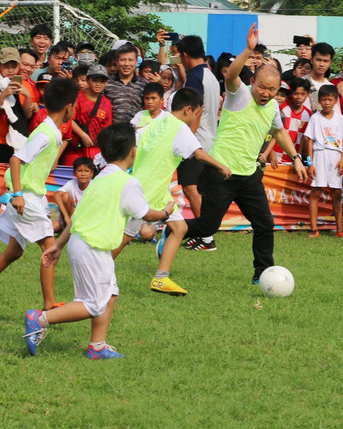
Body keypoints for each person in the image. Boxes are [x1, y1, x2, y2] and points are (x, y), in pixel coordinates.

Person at [24, 123, 178, 359]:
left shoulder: (99, 180)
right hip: (91, 247)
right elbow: (146, 214)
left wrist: (58, 245)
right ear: (133, 151)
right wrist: (166, 213)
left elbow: (76, 218)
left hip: (86, 244)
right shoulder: (128, 183)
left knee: (111, 293)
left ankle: (97, 346)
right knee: (93, 304)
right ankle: (40, 319)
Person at [182, 24, 307, 281]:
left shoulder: (273, 107)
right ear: (253, 82)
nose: (266, 93)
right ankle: (172, 230)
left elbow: (280, 132)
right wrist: (248, 49)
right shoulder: (239, 95)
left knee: (265, 224)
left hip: (249, 176)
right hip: (221, 171)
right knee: (207, 226)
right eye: (262, 87)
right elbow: (231, 75)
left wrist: (296, 158)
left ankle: (262, 273)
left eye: (272, 90)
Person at [0, 78, 79, 323]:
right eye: (74, 105)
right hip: (27, 197)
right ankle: (48, 307)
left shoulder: (51, 131)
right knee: (50, 249)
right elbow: (16, 160)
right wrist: (18, 194)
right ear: (68, 107)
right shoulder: (46, 133)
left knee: (13, 252)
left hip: (28, 195)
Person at [117, 87, 232, 295]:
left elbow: (132, 140)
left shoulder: (156, 123)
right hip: (147, 191)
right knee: (126, 236)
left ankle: (161, 278)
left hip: (156, 191)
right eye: (197, 114)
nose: (195, 118)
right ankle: (98, 271)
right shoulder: (179, 127)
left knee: (179, 228)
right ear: (188, 110)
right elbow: (198, 154)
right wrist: (221, 166)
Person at [175, 35, 220, 249]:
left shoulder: (194, 77)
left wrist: (188, 139)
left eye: (179, 57)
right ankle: (205, 234)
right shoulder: (210, 75)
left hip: (197, 140)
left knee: (191, 188)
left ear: (185, 55)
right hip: (209, 138)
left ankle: (207, 237)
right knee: (196, 189)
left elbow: (196, 109)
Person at [303, 85, 343, 238]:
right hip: (320, 154)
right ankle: (314, 229)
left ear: (335, 101)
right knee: (316, 191)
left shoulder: (339, 118)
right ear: (319, 101)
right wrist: (310, 163)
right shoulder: (315, 118)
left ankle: (340, 229)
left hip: (335, 157)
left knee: (336, 193)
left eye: (330, 99)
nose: (327, 103)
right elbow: (309, 140)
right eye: (324, 99)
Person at [0, 47, 33, 162]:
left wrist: (27, 96)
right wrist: (3, 95)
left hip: (17, 140)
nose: (10, 70)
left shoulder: (26, 86)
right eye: (6, 67)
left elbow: (27, 115)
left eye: (14, 67)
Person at [63, 63, 112, 166]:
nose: (98, 84)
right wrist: (83, 135)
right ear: (88, 80)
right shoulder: (77, 97)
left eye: (102, 81)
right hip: (76, 149)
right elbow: (68, 119)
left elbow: (106, 128)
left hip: (96, 151)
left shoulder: (106, 103)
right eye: (95, 80)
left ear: (107, 82)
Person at [262, 77, 312, 166]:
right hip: (275, 159)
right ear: (290, 94)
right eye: (296, 93)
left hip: (293, 160)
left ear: (308, 94)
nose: (299, 97)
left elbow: (304, 139)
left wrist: (298, 157)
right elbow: (271, 133)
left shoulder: (308, 114)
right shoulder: (281, 108)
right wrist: (271, 154)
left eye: (303, 94)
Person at [104, 42, 147, 124]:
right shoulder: (107, 82)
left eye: (130, 60)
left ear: (136, 62)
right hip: (111, 133)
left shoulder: (144, 84)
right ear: (117, 61)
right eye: (123, 60)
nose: (127, 64)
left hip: (136, 133)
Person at [53, 157, 95, 232]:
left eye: (86, 171)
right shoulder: (71, 183)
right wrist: (66, 217)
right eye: (80, 171)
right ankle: (66, 226)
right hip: (69, 219)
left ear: (91, 173)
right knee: (65, 196)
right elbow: (56, 195)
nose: (83, 174)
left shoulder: (94, 186)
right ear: (74, 173)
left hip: (85, 221)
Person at [304, 42, 335, 111]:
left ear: (330, 63)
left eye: (325, 61)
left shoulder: (331, 87)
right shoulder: (302, 82)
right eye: (318, 60)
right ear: (311, 60)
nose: (321, 64)